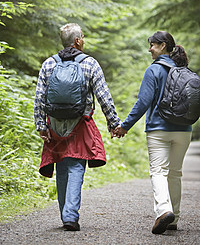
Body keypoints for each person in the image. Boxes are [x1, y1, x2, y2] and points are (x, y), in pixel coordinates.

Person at [34, 23, 120, 231]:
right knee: (75, 166)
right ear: (78, 41)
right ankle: (70, 216)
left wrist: (40, 125)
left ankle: (66, 214)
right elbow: (103, 96)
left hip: (54, 123)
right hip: (79, 123)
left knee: (62, 165)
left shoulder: (48, 64)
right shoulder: (90, 64)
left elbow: (39, 97)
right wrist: (114, 123)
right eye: (82, 36)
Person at [114, 31, 192, 234]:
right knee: (175, 173)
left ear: (163, 45)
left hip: (158, 129)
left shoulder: (154, 70)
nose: (149, 49)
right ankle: (174, 216)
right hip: (184, 130)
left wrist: (125, 125)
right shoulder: (184, 70)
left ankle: (164, 211)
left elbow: (143, 102)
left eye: (153, 45)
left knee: (158, 171)